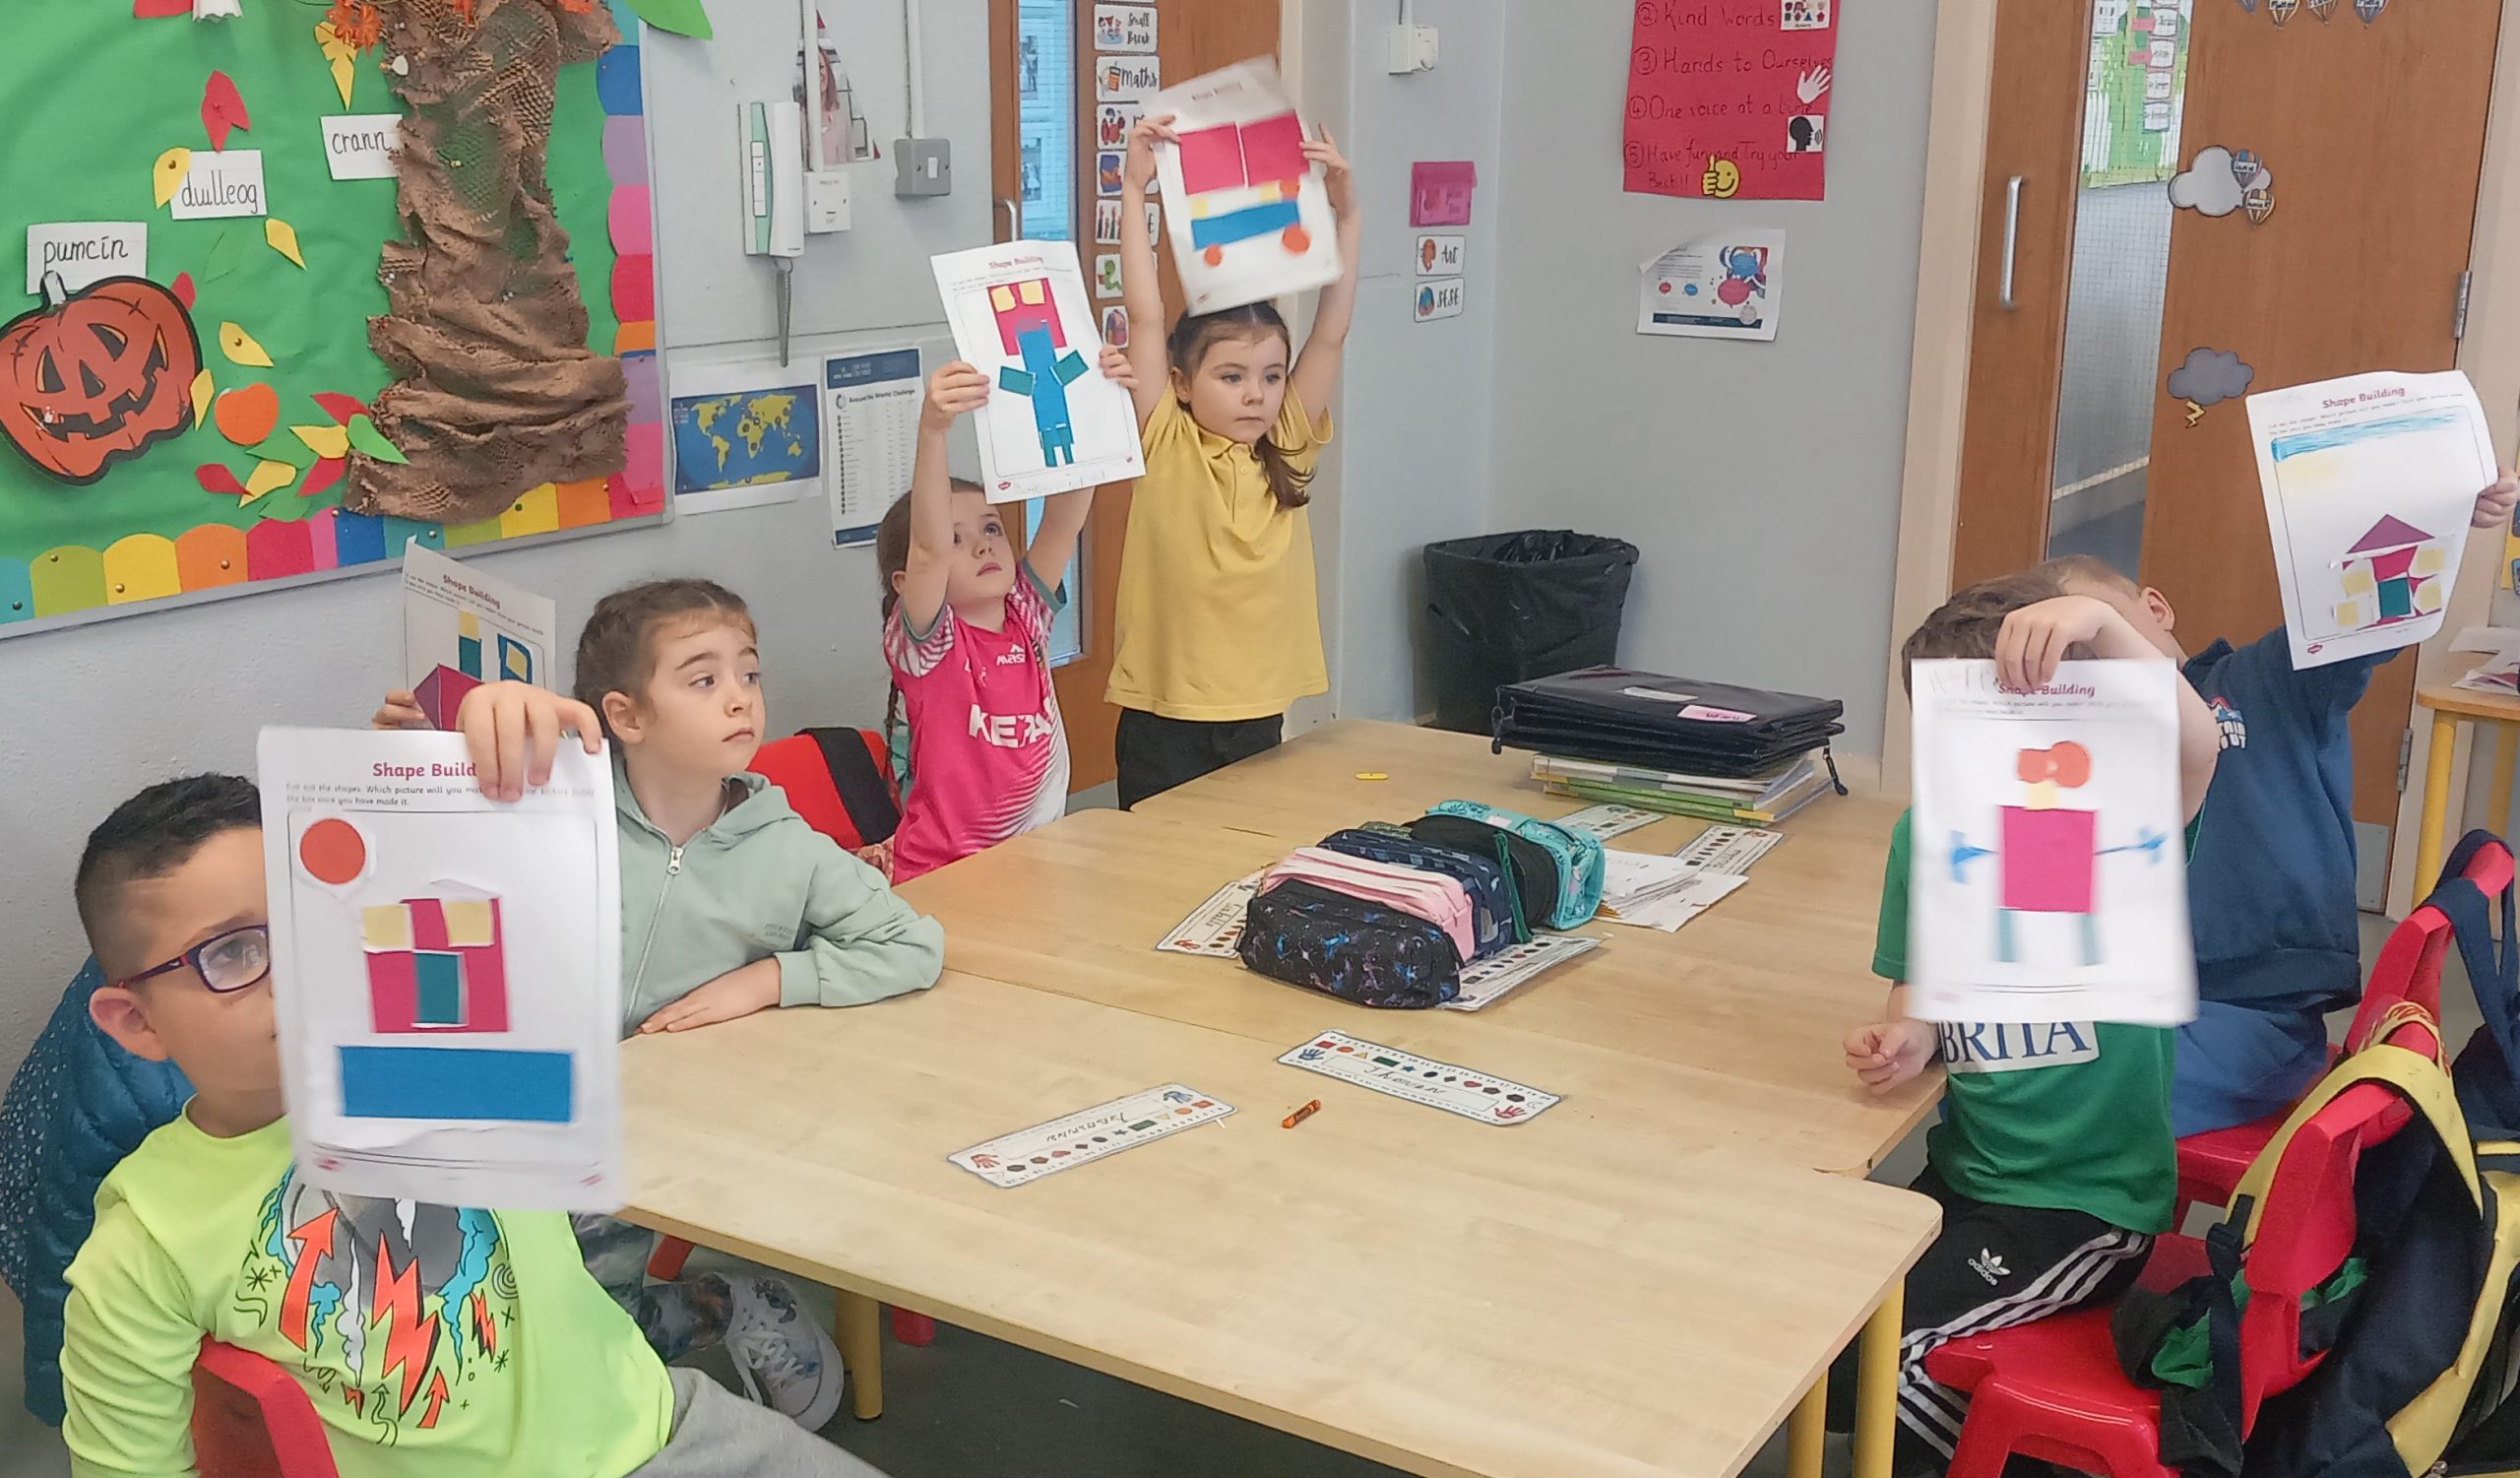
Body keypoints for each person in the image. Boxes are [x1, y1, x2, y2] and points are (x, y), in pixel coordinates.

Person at [58, 775, 891, 1478]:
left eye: (310, 920)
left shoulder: (437, 1061)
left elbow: (517, 925)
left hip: (660, 1430)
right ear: (137, 1021)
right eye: (233, 953)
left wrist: (472, 767)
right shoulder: (147, 1241)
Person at [422, 579, 948, 1427]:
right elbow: (433, 823)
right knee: (464, 1321)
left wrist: (768, 979)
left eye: (749, 673)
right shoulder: (557, 804)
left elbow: (911, 945)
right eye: (704, 679)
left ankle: (727, 1303)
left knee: (585, 1327)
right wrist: (467, 718)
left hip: (646, 1144)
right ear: (625, 716)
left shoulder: (786, 846)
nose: (740, 697)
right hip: (514, 1119)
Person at [1837, 568, 2220, 1463]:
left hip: (2082, 1208)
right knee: (1829, 1331)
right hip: (1967, 1174)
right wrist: (1911, 1033)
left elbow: (2196, 743)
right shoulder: (1927, 835)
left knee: (1890, 1364)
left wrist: (2100, 624)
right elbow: (1919, 982)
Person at [2043, 471, 2518, 1134]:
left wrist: (2440, 516)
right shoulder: (2084, 747)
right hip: (2133, 993)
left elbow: (2363, 614)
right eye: (2075, 652)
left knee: (2064, 1094)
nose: (2101, 654)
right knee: (1998, 1070)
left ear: (2156, 607)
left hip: (2257, 1015)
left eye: (2104, 626)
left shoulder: (2262, 680)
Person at [1104, 112, 1359, 808]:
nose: (1256, 393)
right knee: (1158, 861)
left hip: (1255, 713)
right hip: (1164, 718)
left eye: (1271, 376)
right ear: (1183, 384)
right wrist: (1134, 190)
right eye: (1231, 376)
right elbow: (1145, 314)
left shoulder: (1286, 438)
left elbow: (1331, 333)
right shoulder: (1167, 437)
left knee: (1244, 856)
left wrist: (1347, 212)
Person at [873, 349, 1134, 882]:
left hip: (1030, 863)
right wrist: (934, 430)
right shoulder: (931, 646)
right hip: (945, 874)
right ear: (905, 585)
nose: (982, 546)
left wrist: (1092, 400)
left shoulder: (1025, 613)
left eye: (991, 528)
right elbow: (926, 549)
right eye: (957, 539)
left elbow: (1063, 520)